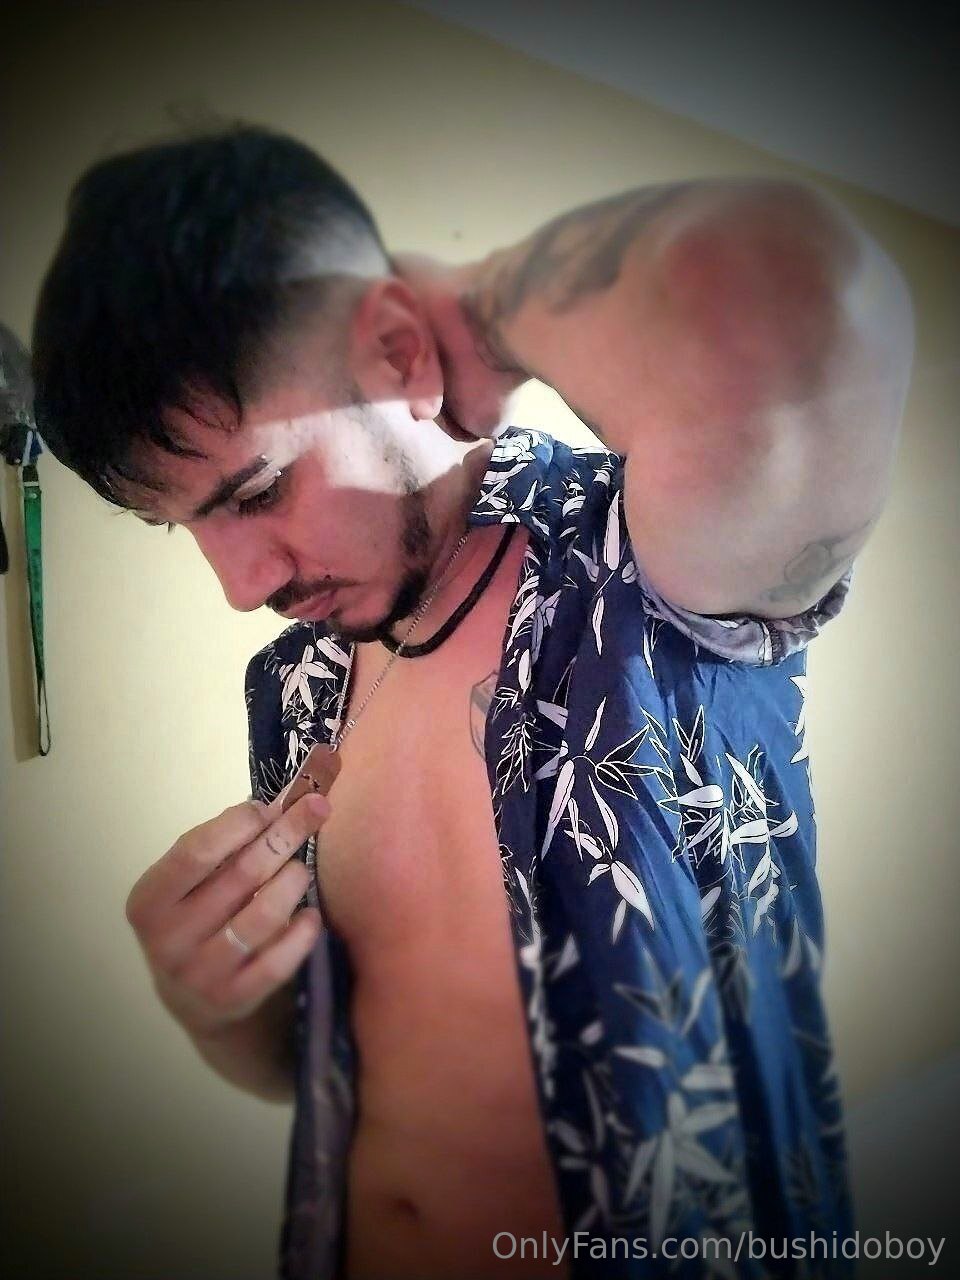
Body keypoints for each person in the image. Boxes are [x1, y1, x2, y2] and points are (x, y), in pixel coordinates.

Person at [31, 124, 913, 1279]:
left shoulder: (648, 567)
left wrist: (483, 305)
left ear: (397, 349)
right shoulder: (298, 685)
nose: (239, 586)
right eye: (182, 525)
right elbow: (323, 1064)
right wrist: (219, 1005)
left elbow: (804, 293)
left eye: (256, 490)